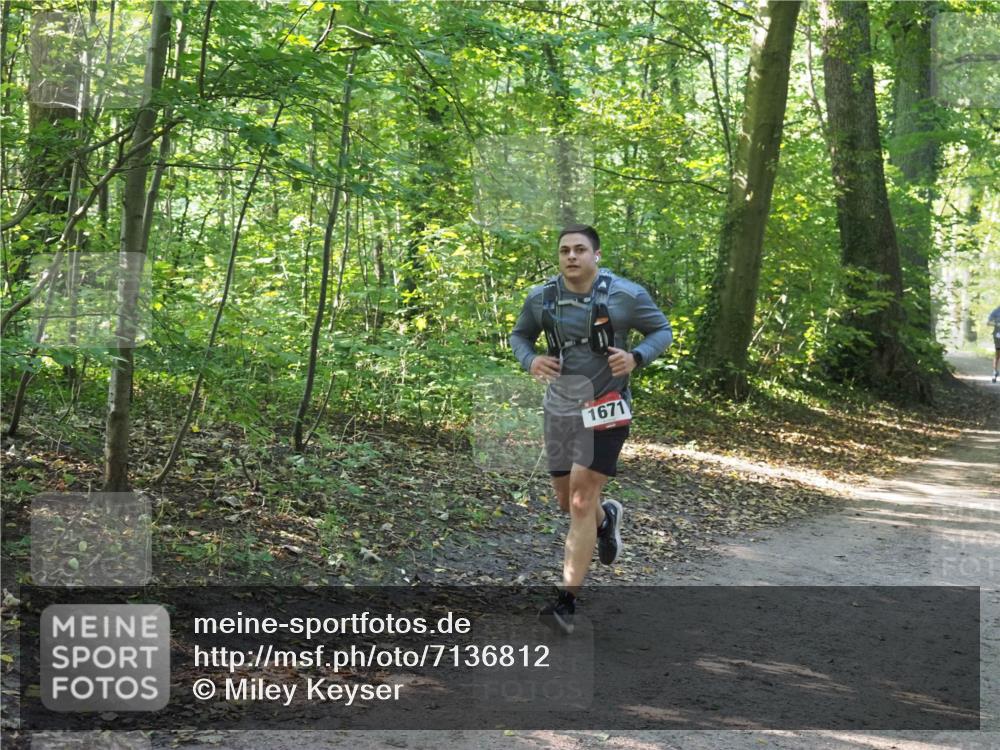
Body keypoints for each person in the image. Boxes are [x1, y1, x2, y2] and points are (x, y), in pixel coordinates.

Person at [510, 224, 672, 635]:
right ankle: (606, 519)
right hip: (561, 408)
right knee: (568, 502)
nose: (571, 256)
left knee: (582, 500)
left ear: (596, 255)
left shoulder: (626, 295)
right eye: (564, 250)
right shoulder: (541, 298)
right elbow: (520, 336)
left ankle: (565, 604)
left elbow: (662, 331)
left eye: (580, 249)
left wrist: (637, 356)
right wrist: (530, 360)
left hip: (607, 407)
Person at [989, 305, 1000, 383]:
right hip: (998, 335)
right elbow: (988, 322)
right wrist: (997, 324)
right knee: (998, 354)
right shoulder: (996, 311)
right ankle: (994, 372)